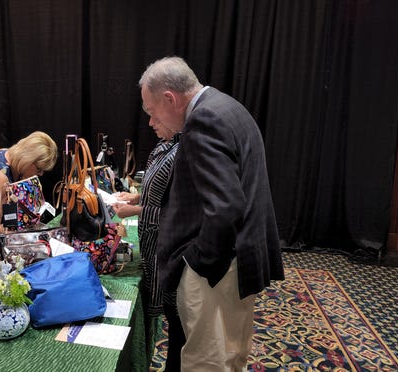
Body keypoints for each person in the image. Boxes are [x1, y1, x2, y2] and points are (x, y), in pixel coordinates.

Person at [140, 56, 284, 371]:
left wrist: (197, 263)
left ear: (170, 99)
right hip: (238, 260)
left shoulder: (203, 121)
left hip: (218, 271)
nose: (151, 121)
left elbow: (226, 207)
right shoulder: (227, 106)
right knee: (230, 355)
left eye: (151, 111)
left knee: (207, 362)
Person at [111, 126, 184, 370]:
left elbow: (181, 213)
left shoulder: (183, 151)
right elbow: (163, 194)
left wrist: (137, 210)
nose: (150, 122)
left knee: (180, 326)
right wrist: (137, 198)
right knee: (175, 323)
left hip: (176, 253)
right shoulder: (166, 147)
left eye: (153, 113)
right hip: (164, 250)